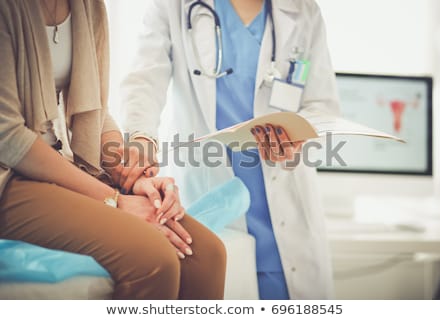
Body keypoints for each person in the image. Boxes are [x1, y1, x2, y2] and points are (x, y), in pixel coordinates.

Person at [0, 0, 226, 300]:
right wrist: (114, 200)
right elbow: (8, 137)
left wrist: (129, 173)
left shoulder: (88, 6)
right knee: (153, 258)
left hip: (60, 163)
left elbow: (94, 108)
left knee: (207, 254)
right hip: (9, 177)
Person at [120, 0, 339, 299]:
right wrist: (141, 139)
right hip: (208, 195)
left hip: (284, 209)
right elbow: (144, 81)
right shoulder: (174, 6)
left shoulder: (302, 11)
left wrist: (297, 135)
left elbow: (322, 104)